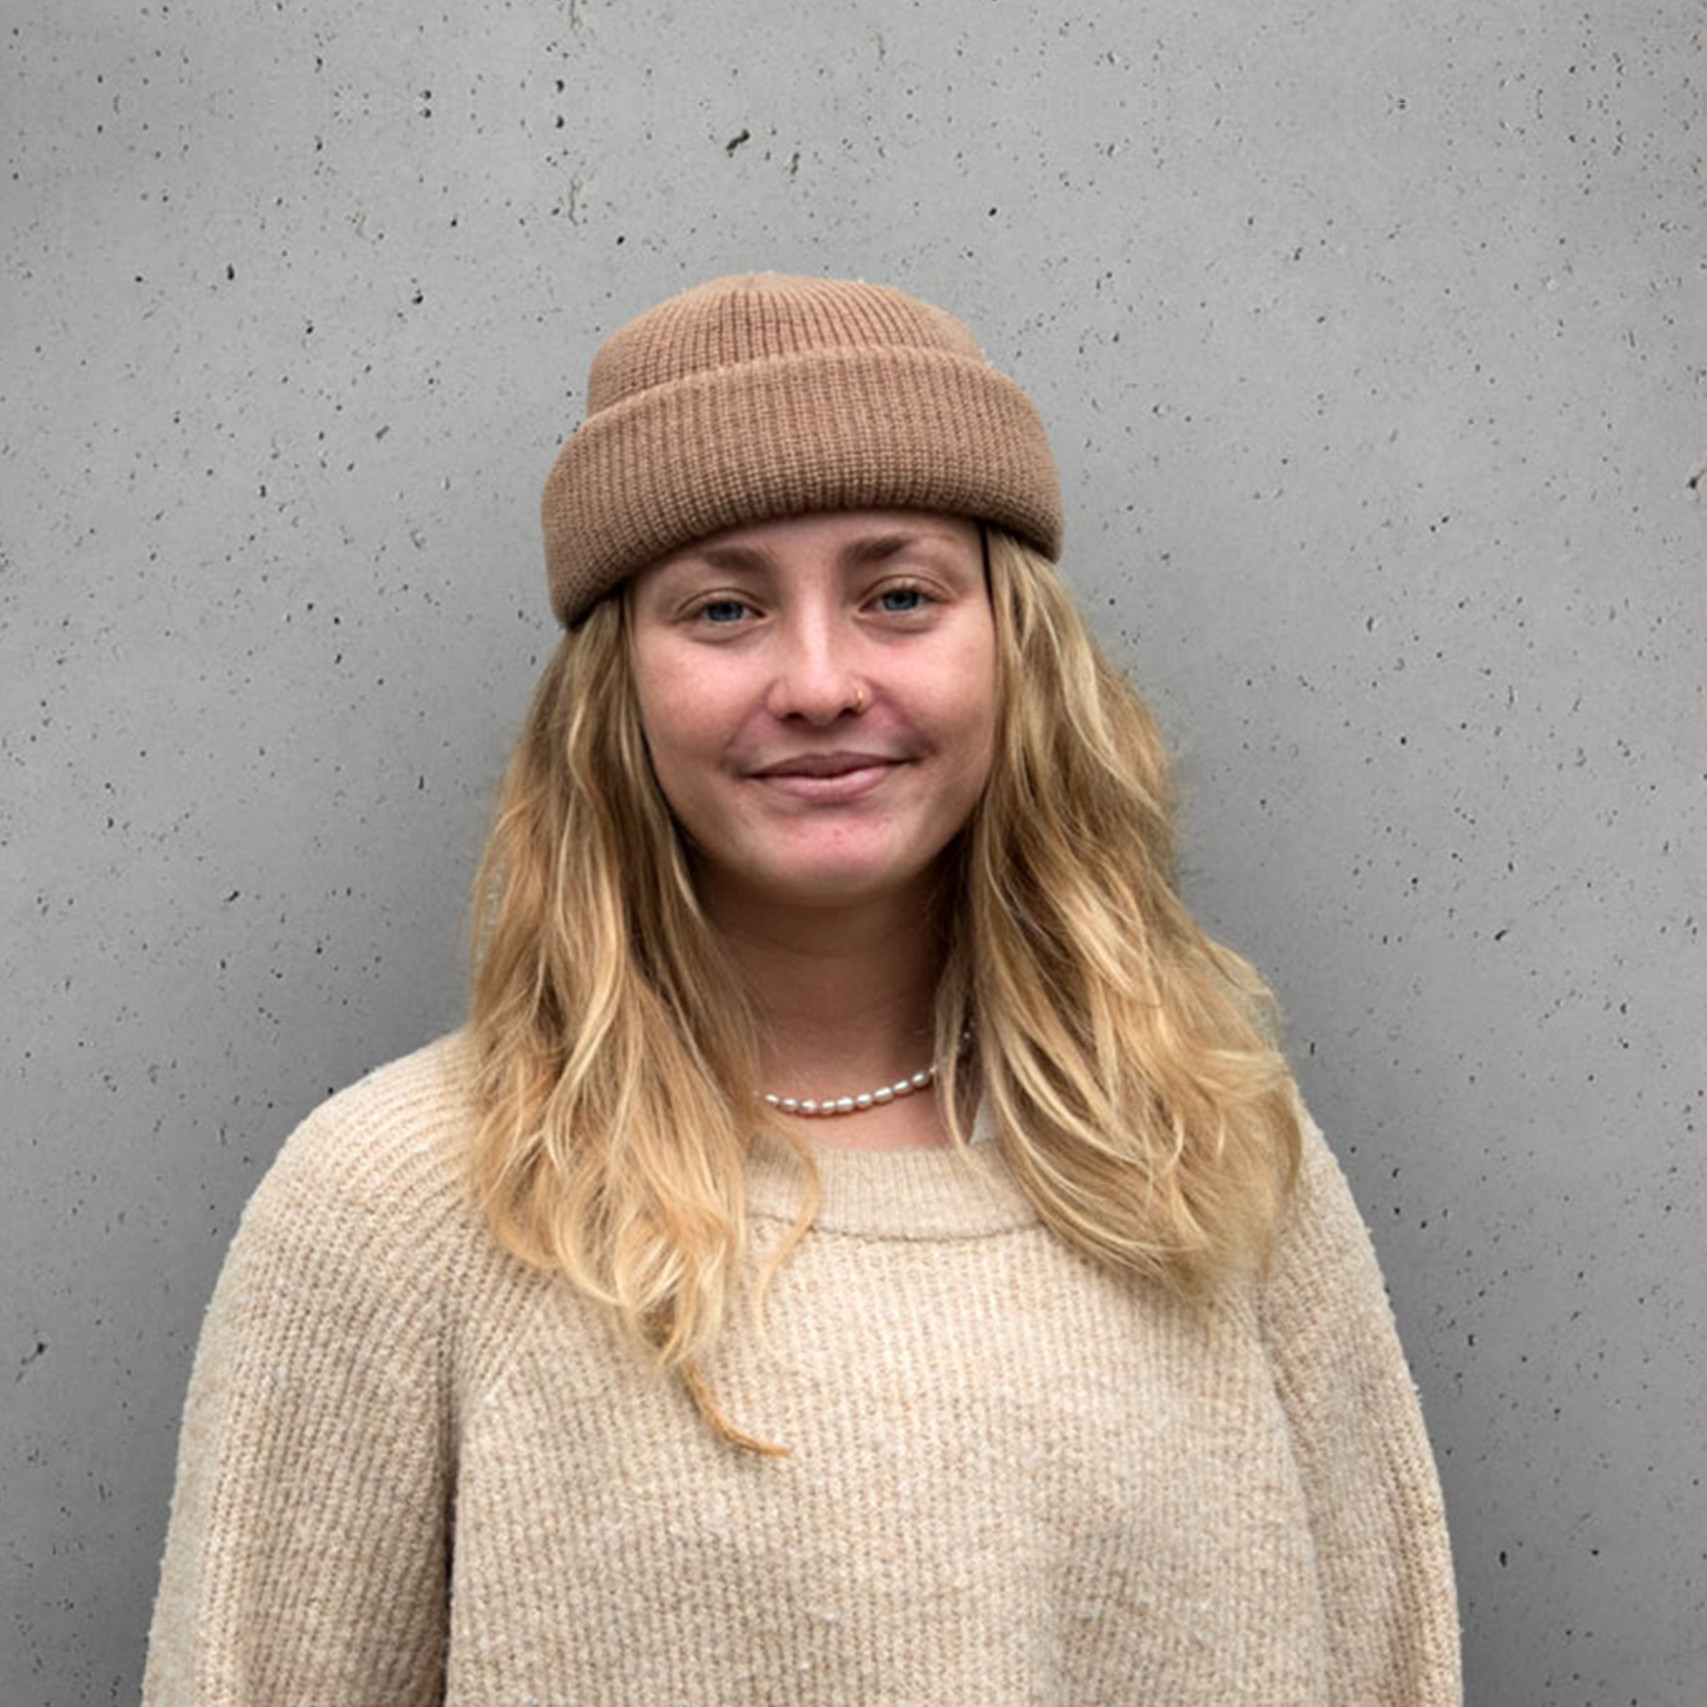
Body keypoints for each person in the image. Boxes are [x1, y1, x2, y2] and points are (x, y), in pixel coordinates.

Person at [142, 272, 1462, 1704]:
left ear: (1015, 648)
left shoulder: (1219, 1161)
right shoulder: (400, 1211)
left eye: (900, 596)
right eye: (724, 609)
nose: (821, 682)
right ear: (615, 691)